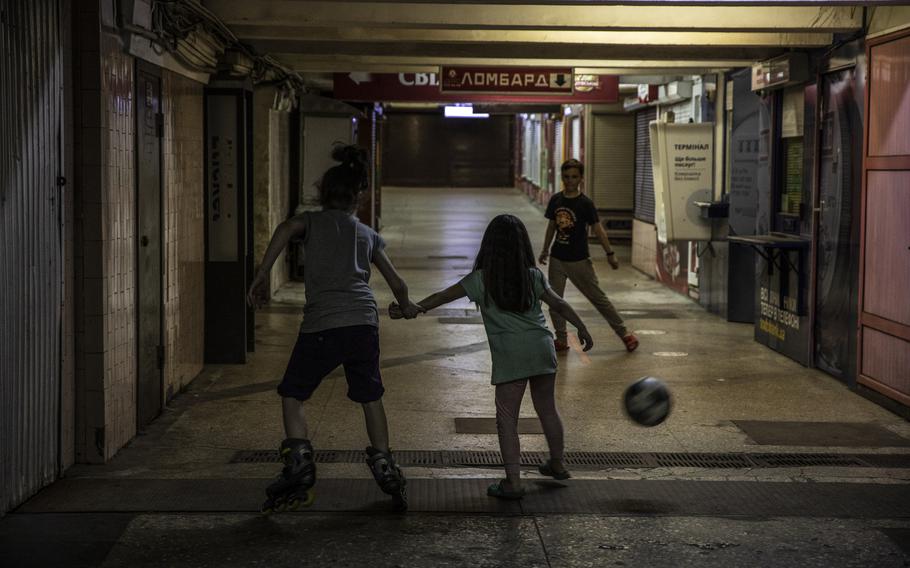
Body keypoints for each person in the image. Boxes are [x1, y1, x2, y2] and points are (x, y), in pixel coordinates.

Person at [248, 144, 420, 513]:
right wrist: (405, 307)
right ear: (358, 197)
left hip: (322, 325)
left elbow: (284, 228)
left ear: (321, 194)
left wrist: (262, 275)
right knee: (370, 396)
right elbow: (399, 284)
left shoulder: (310, 222)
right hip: (362, 324)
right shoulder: (367, 234)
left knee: (293, 393)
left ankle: (300, 466)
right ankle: (386, 467)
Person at [391, 214, 592, 499]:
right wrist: (581, 327)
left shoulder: (481, 279)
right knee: (547, 408)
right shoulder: (532, 276)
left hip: (512, 355)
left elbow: (441, 296)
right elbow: (558, 303)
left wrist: (414, 308)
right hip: (541, 348)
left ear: (489, 247)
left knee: (506, 418)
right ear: (523, 246)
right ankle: (557, 463)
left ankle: (513, 481)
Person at [538, 158, 639, 353]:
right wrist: (545, 249)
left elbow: (598, 229)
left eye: (574, 177)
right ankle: (561, 339)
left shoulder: (585, 204)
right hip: (557, 259)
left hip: (579, 261)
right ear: (562, 177)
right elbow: (552, 226)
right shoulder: (556, 200)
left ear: (581, 179)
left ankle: (625, 334)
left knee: (598, 299)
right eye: (566, 177)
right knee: (554, 301)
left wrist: (610, 253)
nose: (570, 180)